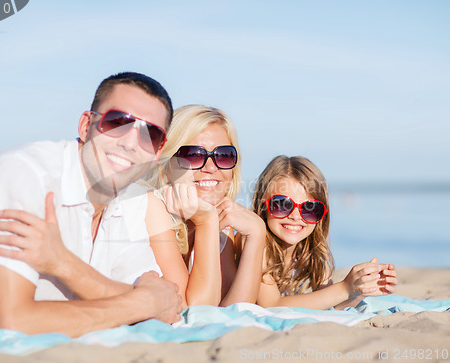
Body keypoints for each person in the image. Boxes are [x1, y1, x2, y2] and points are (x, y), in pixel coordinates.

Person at [0, 72, 182, 337]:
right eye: (118, 121)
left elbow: (163, 301)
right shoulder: (25, 176)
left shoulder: (129, 201)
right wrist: (140, 304)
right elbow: (14, 323)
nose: (130, 143)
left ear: (157, 153)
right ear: (85, 125)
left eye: (150, 134)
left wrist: (63, 263)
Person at [145, 105, 266, 307]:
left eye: (223, 155)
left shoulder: (218, 219)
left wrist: (257, 234)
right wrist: (205, 222)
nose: (211, 168)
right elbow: (194, 310)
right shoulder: (152, 207)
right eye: (193, 155)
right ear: (165, 166)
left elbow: (233, 308)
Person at [252, 155, 398, 309]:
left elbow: (332, 304)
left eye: (309, 208)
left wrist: (360, 289)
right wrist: (344, 288)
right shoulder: (255, 245)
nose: (295, 216)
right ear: (263, 206)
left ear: (321, 214)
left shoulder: (311, 253)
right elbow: (273, 305)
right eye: (282, 204)